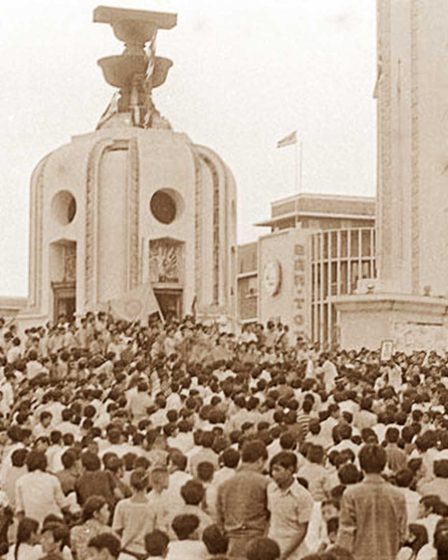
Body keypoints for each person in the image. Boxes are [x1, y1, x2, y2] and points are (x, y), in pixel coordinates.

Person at [336, 444, 407, 560]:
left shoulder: (351, 494)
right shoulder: (398, 495)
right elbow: (402, 533)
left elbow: (346, 534)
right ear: (383, 465)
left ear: (361, 465)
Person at [217, 440, 269, 559]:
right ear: (260, 461)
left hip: (233, 541)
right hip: (258, 541)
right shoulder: (265, 483)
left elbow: (219, 517)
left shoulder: (224, 485)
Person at [267, 451, 314, 560]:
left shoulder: (302, 495)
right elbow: (270, 517)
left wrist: (284, 555)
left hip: (293, 551)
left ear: (290, 470)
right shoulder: (271, 489)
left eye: (278, 470)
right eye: (272, 470)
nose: (273, 474)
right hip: (272, 546)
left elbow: (303, 530)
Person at [112, 468, 156, 558]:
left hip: (127, 550)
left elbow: (116, 529)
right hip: (147, 551)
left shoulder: (122, 505)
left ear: (131, 485)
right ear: (147, 485)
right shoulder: (154, 506)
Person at [15, 451, 67, 526]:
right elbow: (63, 505)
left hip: (32, 524)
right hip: (53, 522)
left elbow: (20, 510)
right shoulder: (52, 479)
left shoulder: (20, 481)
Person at [71, 495, 112, 560]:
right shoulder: (107, 531)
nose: (109, 513)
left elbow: (73, 552)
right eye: (106, 510)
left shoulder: (75, 530)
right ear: (96, 514)